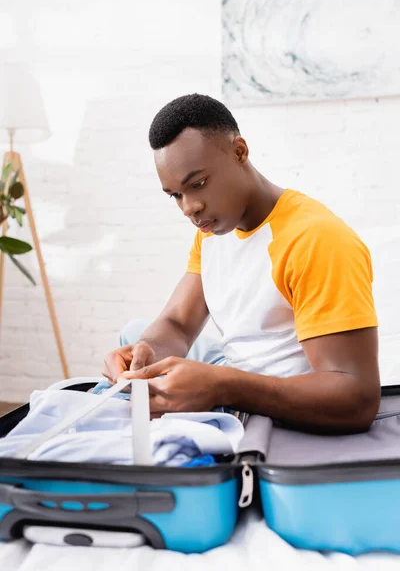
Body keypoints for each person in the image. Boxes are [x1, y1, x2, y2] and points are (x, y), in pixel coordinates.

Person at [102, 93, 380, 433]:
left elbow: (358, 398)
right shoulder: (214, 230)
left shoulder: (316, 240)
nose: (189, 207)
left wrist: (222, 386)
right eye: (176, 195)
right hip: (236, 371)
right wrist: (145, 353)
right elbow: (177, 322)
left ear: (239, 152)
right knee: (136, 333)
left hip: (280, 395)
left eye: (198, 184)